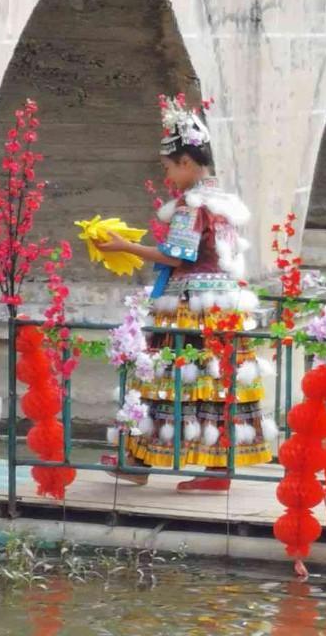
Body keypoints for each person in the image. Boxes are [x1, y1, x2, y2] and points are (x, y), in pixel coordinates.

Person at [94, 96, 273, 491]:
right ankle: (206, 468)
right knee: (215, 382)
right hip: (223, 302)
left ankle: (146, 461)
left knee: (168, 378)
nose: (167, 177)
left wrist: (124, 245)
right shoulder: (222, 204)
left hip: (191, 305)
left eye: (169, 168)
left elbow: (176, 255)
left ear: (187, 163)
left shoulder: (191, 206)